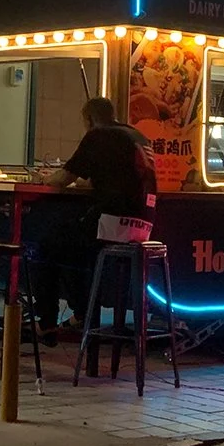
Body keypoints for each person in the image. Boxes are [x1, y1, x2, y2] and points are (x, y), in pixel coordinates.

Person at [33, 97, 156, 344]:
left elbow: (63, 179)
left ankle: (47, 322)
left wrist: (42, 179)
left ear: (88, 119)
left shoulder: (98, 136)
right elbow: (118, 176)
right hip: (144, 227)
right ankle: (81, 311)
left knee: (48, 245)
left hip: (112, 224)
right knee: (72, 243)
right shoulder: (136, 136)